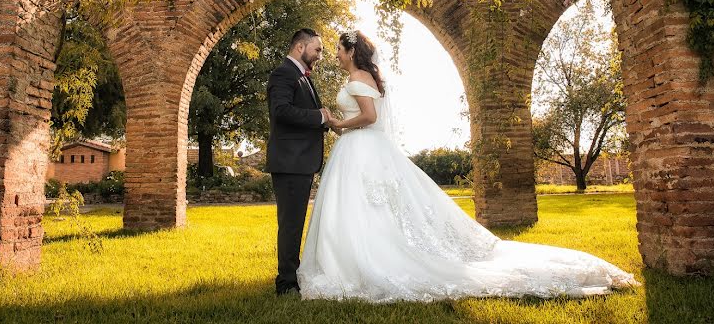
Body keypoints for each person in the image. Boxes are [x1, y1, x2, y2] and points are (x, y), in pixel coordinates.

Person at [297, 29, 639, 302]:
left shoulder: (358, 80)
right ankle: (362, 255)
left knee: (364, 205)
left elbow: (369, 117)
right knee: (372, 207)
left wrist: (336, 124)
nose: (336, 55)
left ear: (351, 51)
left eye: (339, 50)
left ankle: (362, 262)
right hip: (363, 150)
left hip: (359, 148)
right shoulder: (365, 78)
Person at [266, 28, 333, 297]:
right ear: (299, 48)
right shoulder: (284, 74)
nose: (319, 55)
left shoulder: (302, 76)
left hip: (300, 162)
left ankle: (292, 276)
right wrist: (318, 117)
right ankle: (286, 283)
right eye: (316, 49)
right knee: (291, 224)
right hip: (290, 163)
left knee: (294, 222)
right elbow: (281, 112)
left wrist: (324, 120)